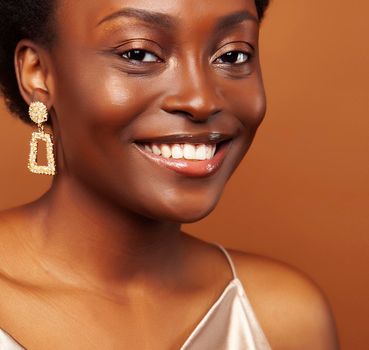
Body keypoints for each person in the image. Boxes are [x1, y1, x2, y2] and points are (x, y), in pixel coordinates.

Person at [0, 0, 339, 349]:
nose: (201, 100)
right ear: (37, 73)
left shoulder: (284, 319)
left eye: (232, 56)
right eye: (139, 54)